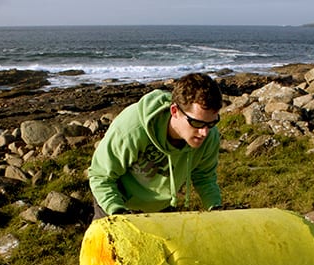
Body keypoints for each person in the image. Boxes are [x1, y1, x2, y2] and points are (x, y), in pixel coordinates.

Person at [88, 72, 223, 219]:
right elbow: (101, 176)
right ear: (175, 111)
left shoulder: (209, 136)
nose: (204, 132)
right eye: (197, 123)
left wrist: (215, 208)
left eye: (211, 123)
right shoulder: (132, 129)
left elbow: (204, 177)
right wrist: (118, 214)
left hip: (161, 207)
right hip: (116, 203)